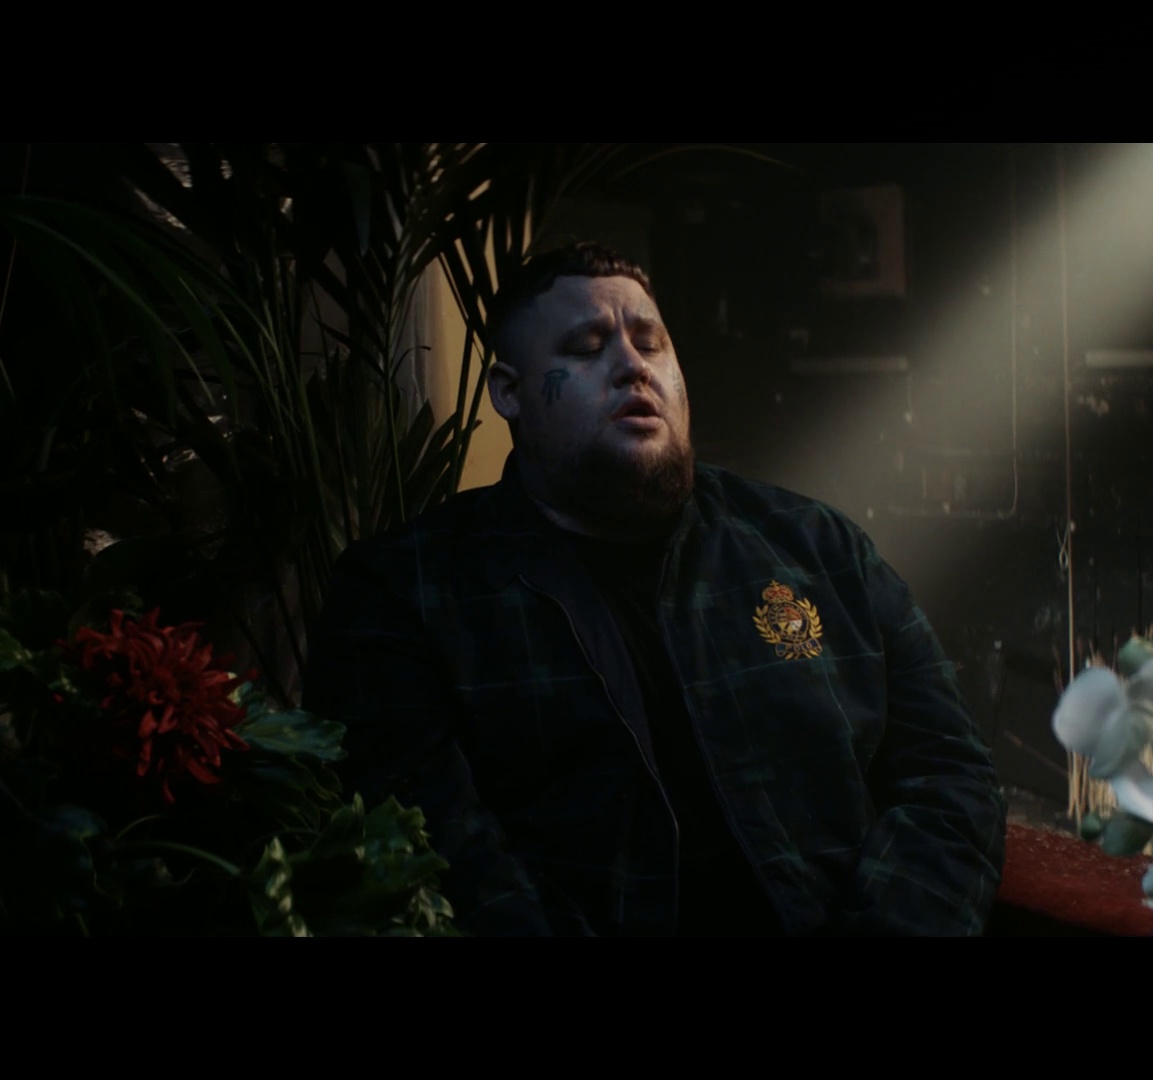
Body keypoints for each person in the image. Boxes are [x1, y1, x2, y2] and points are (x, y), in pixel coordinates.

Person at [305, 241, 1005, 936]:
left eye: (651, 343)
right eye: (586, 347)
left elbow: (951, 776)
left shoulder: (817, 549)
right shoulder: (406, 592)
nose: (633, 365)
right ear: (508, 392)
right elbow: (442, 859)